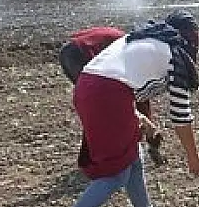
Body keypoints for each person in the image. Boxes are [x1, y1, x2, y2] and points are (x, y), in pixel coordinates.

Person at [37, 10, 199, 207]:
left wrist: (138, 117)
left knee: (132, 156)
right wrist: (194, 158)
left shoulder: (142, 38)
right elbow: (181, 116)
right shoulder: (175, 56)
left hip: (88, 87)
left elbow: (115, 75)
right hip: (108, 93)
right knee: (115, 174)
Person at [60, 26, 162, 164]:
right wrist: (150, 131)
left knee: (94, 106)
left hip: (68, 51)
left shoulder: (127, 41)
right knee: (97, 105)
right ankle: (102, 157)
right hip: (80, 54)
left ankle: (98, 155)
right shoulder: (132, 51)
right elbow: (139, 97)